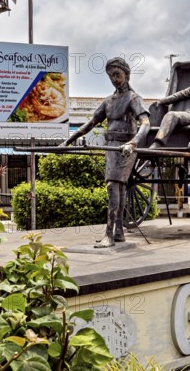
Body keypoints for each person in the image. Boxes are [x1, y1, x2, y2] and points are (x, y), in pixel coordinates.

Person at [61, 57, 150, 248]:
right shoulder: (108, 101)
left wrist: (133, 143)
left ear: (126, 74)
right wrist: (68, 140)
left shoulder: (133, 98)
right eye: (111, 76)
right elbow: (91, 122)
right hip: (111, 146)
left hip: (126, 148)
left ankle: (109, 235)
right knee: (119, 187)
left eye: (117, 74)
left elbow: (145, 123)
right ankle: (118, 232)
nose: (114, 79)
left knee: (112, 185)